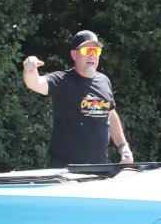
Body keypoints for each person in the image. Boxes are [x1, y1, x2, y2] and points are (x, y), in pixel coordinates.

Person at [21, 30, 132, 166]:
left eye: (96, 51)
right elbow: (34, 83)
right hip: (67, 170)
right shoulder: (61, 81)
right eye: (87, 50)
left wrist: (123, 146)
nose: (92, 55)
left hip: (99, 167)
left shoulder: (104, 81)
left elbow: (110, 114)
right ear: (74, 55)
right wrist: (30, 69)